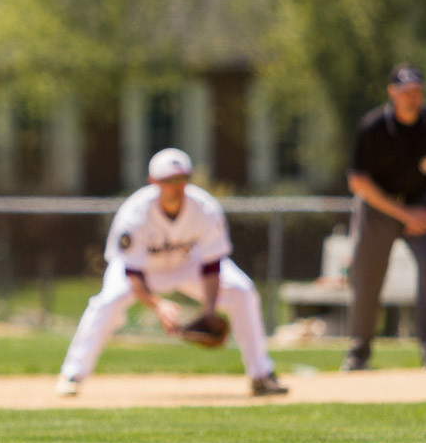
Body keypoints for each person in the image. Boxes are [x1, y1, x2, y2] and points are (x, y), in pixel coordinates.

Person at [56, 148, 287, 397]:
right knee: (108, 301)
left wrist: (209, 310)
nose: (175, 186)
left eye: (181, 179)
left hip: (189, 265)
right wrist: (157, 305)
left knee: (242, 291)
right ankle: (73, 373)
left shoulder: (205, 208)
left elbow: (211, 264)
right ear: (153, 182)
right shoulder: (134, 213)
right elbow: (132, 272)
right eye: (168, 180)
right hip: (143, 270)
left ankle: (262, 375)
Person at [342, 63, 426, 371]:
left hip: (421, 206)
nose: (412, 98)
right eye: (406, 92)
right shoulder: (374, 127)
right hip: (380, 208)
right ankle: (358, 351)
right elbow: (358, 183)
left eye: (417, 92)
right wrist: (404, 213)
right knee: (368, 276)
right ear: (392, 93)